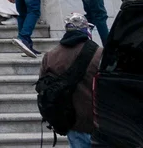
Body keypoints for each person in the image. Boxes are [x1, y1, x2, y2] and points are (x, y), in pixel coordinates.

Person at [37, 12, 102, 148]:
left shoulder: (50, 56)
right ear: (86, 29)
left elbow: (42, 86)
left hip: (72, 122)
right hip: (99, 121)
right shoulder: (99, 54)